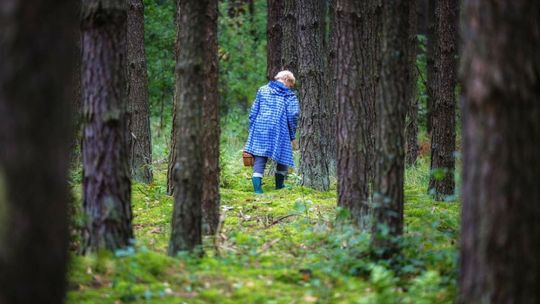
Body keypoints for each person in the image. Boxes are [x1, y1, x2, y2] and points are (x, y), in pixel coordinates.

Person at [244, 70, 299, 194]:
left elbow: (253, 112)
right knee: (283, 157)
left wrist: (252, 128)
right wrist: (291, 133)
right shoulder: (290, 96)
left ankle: (258, 190)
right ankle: (279, 186)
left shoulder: (262, 90)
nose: (290, 87)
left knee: (260, 158)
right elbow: (293, 115)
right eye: (290, 84)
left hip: (260, 127)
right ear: (286, 79)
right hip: (280, 129)